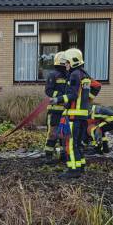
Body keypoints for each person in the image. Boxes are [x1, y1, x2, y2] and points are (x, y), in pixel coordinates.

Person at [49, 48, 92, 178]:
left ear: (73, 61)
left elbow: (72, 94)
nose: (65, 65)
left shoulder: (74, 75)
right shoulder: (85, 75)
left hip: (74, 115)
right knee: (78, 143)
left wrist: (58, 99)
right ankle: (80, 166)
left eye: (67, 62)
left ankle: (73, 170)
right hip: (83, 115)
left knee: (70, 143)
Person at [44, 51, 69, 163]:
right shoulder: (53, 75)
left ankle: (64, 155)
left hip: (66, 111)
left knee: (65, 134)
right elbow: (48, 91)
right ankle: (48, 155)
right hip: (54, 111)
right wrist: (61, 97)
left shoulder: (70, 75)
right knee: (53, 133)